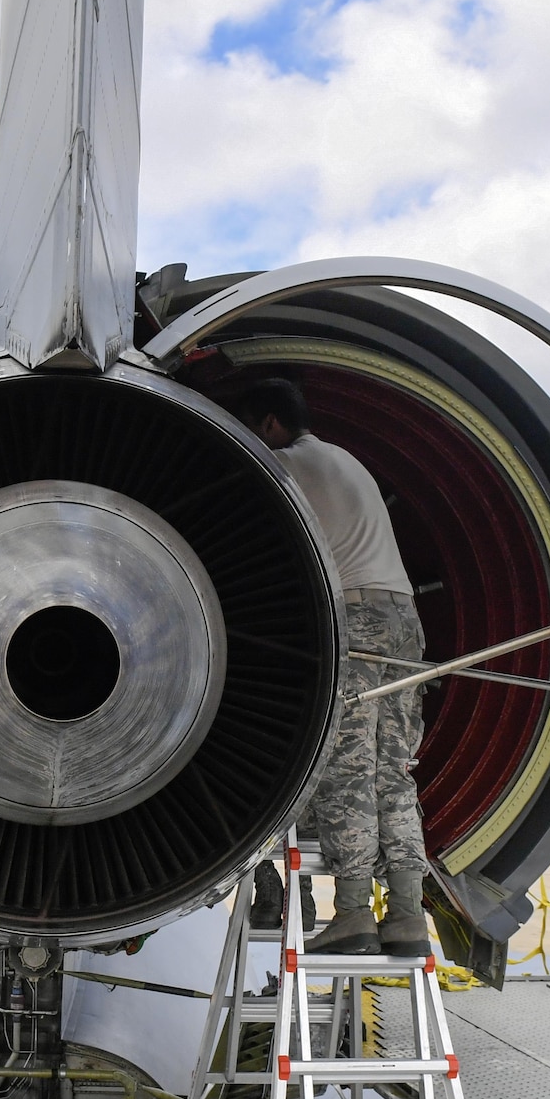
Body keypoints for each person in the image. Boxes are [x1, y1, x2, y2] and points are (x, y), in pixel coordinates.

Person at [235, 378, 431, 958]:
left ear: (269, 425)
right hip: (403, 620)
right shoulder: (346, 461)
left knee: (347, 767)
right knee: (393, 771)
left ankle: (352, 916)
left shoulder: (282, 462)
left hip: (360, 621)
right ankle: (406, 916)